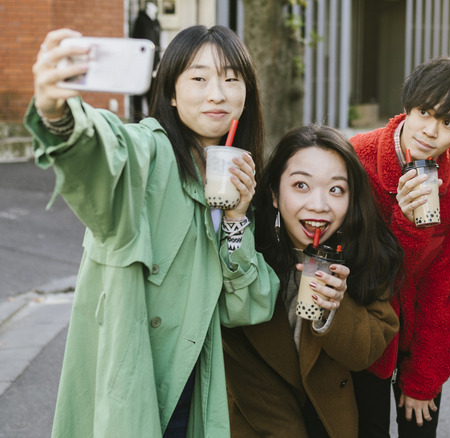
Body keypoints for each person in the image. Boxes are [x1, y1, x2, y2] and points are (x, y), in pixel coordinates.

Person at [26, 26, 279, 437]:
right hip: (131, 381)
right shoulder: (150, 151)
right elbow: (108, 151)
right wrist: (58, 115)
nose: (217, 94)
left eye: (232, 79)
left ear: (247, 93)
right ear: (172, 93)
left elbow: (247, 308)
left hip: (192, 388)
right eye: (199, 78)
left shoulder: (241, 181)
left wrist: (236, 218)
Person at [221, 125, 403, 437]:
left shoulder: (365, 255)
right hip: (259, 422)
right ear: (275, 194)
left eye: (336, 190)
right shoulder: (247, 254)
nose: (319, 205)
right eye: (301, 185)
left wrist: (336, 309)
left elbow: (367, 351)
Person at [349, 56, 450, 437]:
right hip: (363, 332)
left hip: (422, 335)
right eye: (425, 112)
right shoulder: (357, 157)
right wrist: (407, 222)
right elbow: (355, 264)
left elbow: (443, 284)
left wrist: (425, 378)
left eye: (449, 123)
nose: (431, 130)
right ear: (409, 105)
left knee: (420, 425)